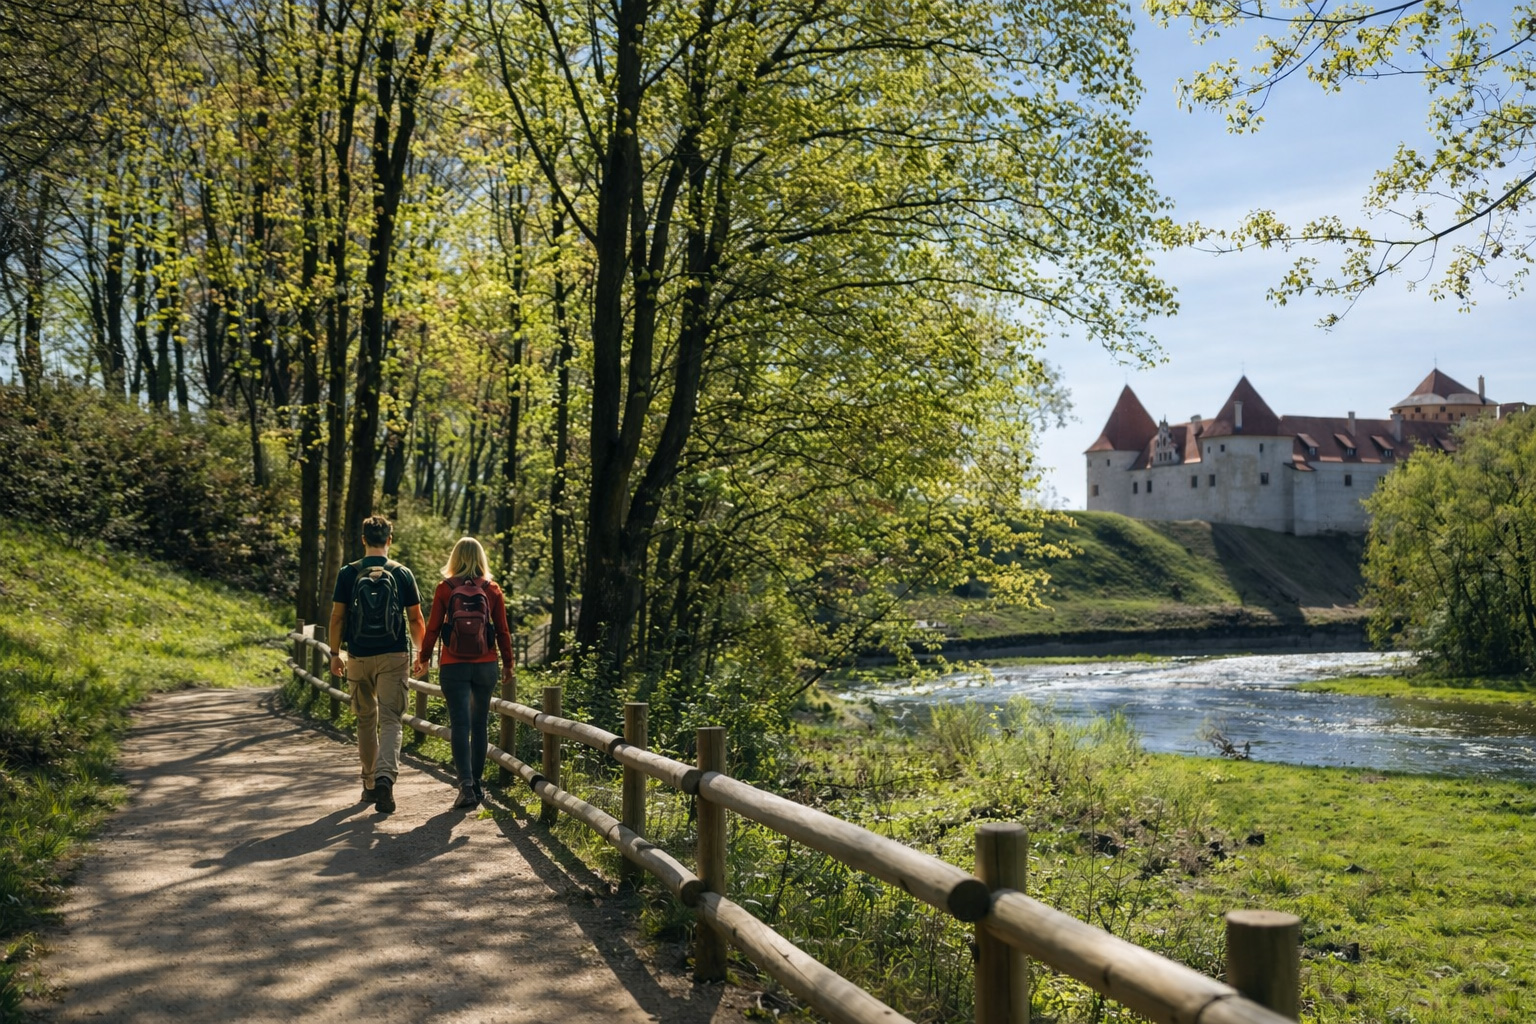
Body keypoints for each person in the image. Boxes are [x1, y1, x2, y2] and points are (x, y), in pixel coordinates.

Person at [328, 515, 425, 813]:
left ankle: (369, 784)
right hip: (394, 655)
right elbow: (416, 619)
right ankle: (385, 778)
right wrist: (422, 653)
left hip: (358, 655)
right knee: (392, 720)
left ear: (363, 540)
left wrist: (335, 653)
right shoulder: (403, 573)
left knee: (365, 720)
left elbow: (338, 617)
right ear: (389, 540)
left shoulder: (348, 573)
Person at [412, 536, 514, 809]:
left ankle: (466, 785)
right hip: (485, 664)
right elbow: (503, 630)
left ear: (455, 558)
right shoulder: (492, 589)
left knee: (460, 724)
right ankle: (478, 784)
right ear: (481, 558)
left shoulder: (445, 589)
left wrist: (423, 659)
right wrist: (508, 664)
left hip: (453, 664)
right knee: (479, 724)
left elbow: (433, 628)